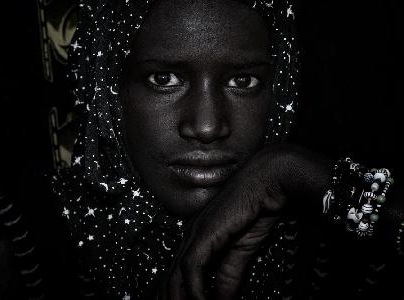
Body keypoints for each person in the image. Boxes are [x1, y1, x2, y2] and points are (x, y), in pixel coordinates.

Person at [49, 0, 404, 299]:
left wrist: (304, 176)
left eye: (242, 81)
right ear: (108, 90)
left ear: (280, 94)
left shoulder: (324, 244)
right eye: (164, 80)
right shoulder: (29, 238)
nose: (206, 127)